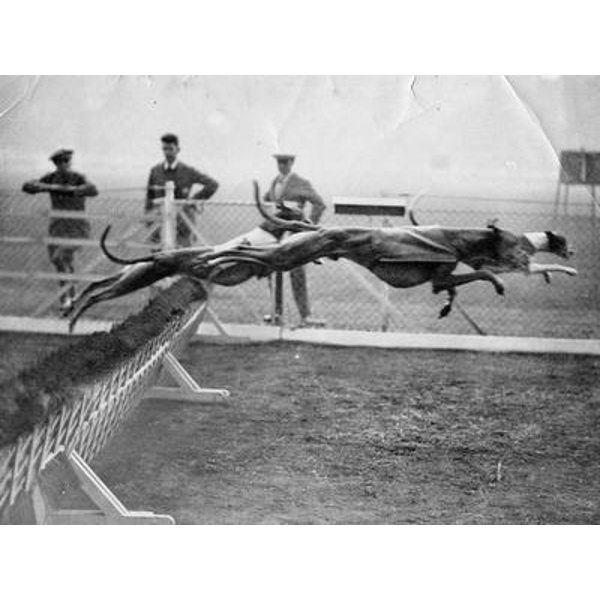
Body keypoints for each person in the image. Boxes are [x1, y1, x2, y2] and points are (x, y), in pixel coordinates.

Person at [22, 149, 98, 314]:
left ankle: (66, 299)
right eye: (59, 162)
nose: (63, 165)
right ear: (55, 164)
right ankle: (72, 297)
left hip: (76, 227)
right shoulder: (51, 178)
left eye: (65, 161)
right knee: (61, 262)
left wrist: (74, 190)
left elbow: (93, 190)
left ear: (69, 162)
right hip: (57, 227)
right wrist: (42, 187)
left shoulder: (77, 177)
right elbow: (27, 187)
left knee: (60, 257)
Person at [263, 153, 326, 327]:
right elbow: (267, 200)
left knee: (297, 272)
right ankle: (277, 313)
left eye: (285, 162)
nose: (281, 165)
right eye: (279, 162)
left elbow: (319, 204)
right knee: (273, 270)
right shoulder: (275, 181)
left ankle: (305, 315)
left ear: (292, 163)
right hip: (276, 234)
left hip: (295, 234)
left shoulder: (301, 182)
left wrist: (308, 226)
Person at [146, 133, 219, 248]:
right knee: (159, 255)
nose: (167, 153)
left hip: (183, 223)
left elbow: (212, 184)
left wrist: (193, 201)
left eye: (170, 149)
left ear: (178, 150)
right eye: (165, 149)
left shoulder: (187, 171)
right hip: (161, 222)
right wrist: (149, 218)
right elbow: (150, 196)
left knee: (183, 254)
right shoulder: (155, 171)